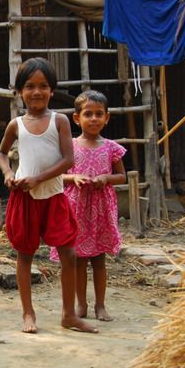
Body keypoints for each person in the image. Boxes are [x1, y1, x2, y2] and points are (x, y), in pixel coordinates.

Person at [0, 58, 98, 334]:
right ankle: (28, 313)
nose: (36, 92)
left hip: (53, 196)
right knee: (25, 254)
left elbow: (68, 160)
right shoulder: (16, 125)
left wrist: (39, 178)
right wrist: (8, 173)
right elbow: (2, 153)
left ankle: (68, 314)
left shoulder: (60, 121)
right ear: (19, 91)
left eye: (43, 86)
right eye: (29, 86)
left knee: (69, 253)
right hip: (24, 199)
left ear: (52, 90)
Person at [50, 90, 126, 321]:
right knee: (79, 260)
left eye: (99, 114)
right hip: (76, 208)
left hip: (101, 209)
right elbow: (56, 176)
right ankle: (80, 305)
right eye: (88, 114)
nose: (93, 119)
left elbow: (122, 176)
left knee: (99, 260)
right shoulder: (69, 146)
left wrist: (106, 178)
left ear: (107, 118)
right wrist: (74, 178)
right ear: (77, 118)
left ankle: (100, 306)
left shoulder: (111, 147)